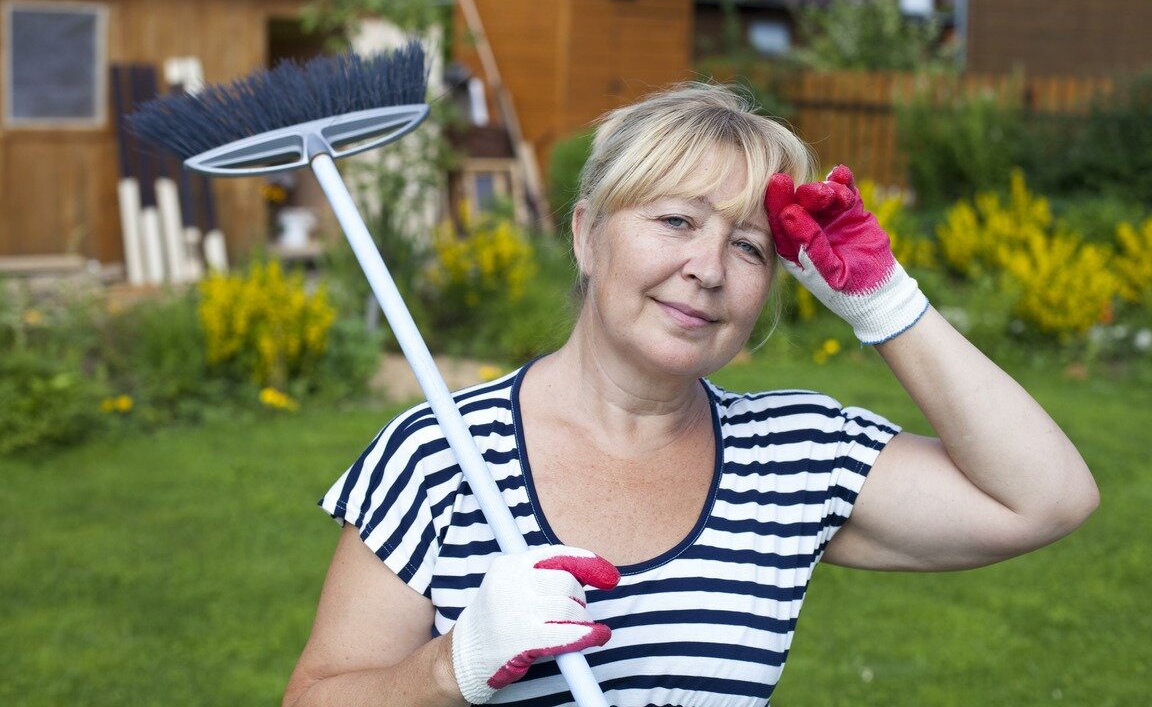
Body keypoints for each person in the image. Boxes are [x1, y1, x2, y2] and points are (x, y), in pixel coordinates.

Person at [282, 84, 1098, 707]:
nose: (708, 268)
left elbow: (1047, 498)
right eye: (676, 221)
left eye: (746, 245)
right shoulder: (436, 457)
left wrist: (883, 302)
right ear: (585, 234)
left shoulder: (794, 459)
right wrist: (450, 665)